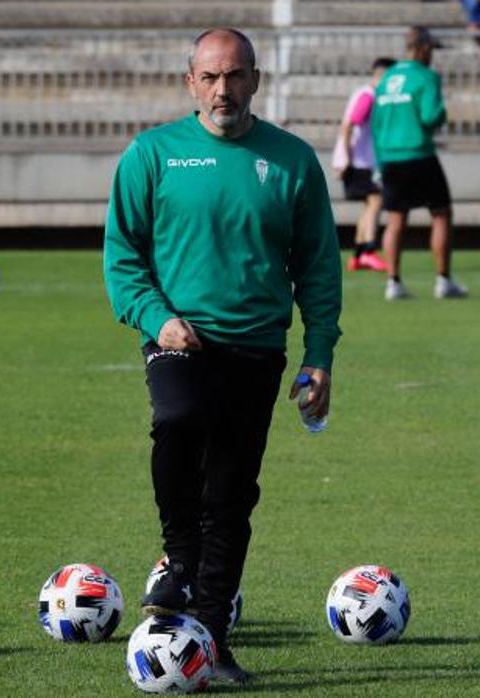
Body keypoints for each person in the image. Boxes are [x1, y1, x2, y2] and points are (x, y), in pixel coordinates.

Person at [103, 27, 341, 684]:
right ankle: (179, 558)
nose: (223, 89)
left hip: (258, 347)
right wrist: (159, 319)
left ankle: (209, 637)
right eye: (209, 77)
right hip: (179, 338)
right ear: (190, 82)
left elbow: (319, 268)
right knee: (178, 420)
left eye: (235, 76)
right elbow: (122, 260)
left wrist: (318, 356)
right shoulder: (152, 155)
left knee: (232, 494)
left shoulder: (291, 161)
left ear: (255, 81)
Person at [370, 26, 466, 301]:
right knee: (441, 213)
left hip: (390, 156)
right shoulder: (427, 77)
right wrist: (442, 112)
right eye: (432, 48)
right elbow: (430, 116)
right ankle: (443, 280)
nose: (433, 54)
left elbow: (376, 123)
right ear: (422, 48)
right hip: (419, 153)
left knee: (396, 218)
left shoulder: (387, 77)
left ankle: (393, 282)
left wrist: (379, 161)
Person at [332, 57, 395, 273]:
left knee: (369, 205)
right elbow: (349, 125)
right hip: (359, 161)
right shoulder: (369, 95)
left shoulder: (367, 94)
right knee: (376, 200)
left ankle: (358, 255)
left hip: (361, 160)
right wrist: (346, 157)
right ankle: (368, 250)